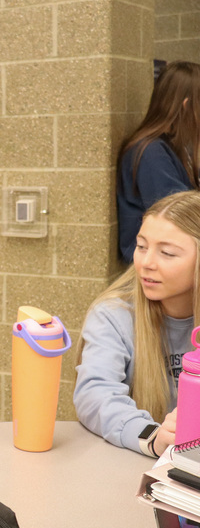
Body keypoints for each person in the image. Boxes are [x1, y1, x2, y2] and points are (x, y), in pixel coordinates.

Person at [75, 191, 200, 457]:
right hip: (137, 463)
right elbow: (95, 395)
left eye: (167, 253)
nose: (146, 263)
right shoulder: (113, 315)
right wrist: (153, 438)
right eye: (141, 246)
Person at [117, 61, 200, 263]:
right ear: (187, 106)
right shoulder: (151, 152)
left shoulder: (172, 146)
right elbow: (181, 216)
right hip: (154, 260)